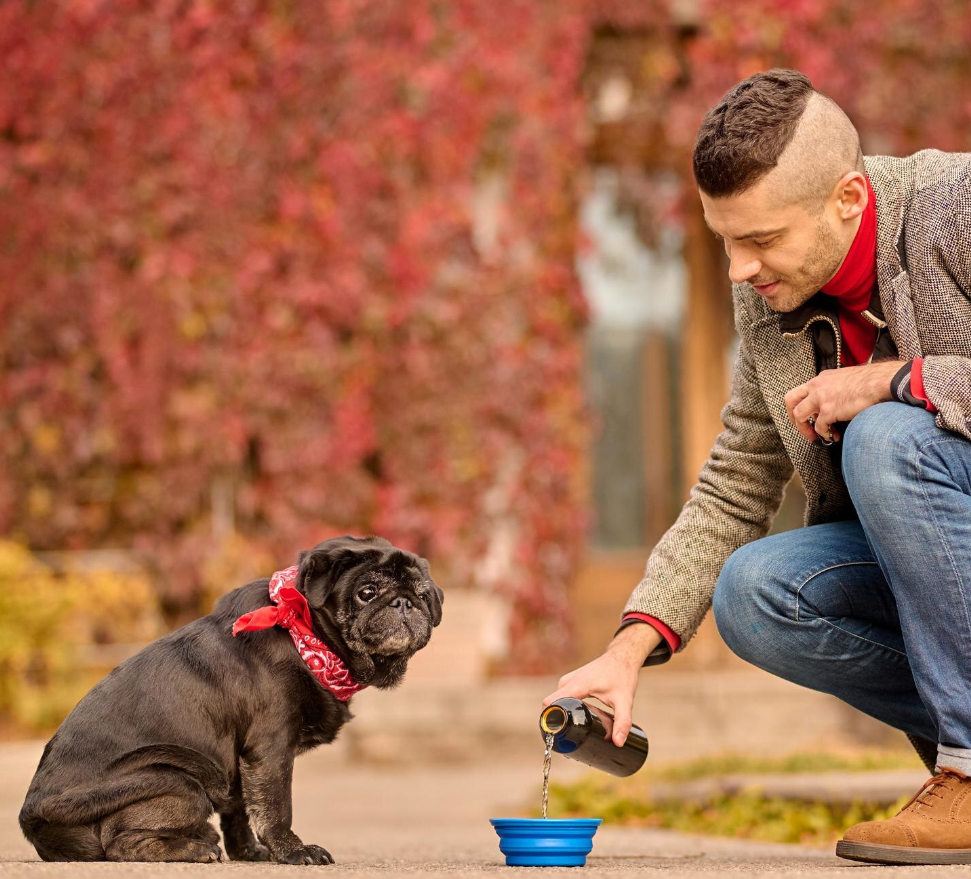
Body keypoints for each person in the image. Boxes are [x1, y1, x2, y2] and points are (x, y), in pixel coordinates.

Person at [544, 68, 971, 865]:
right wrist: (626, 647)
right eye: (724, 240)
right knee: (757, 592)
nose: (738, 268)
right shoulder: (770, 293)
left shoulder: (958, 206)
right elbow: (737, 475)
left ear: (847, 198)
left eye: (761, 239)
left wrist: (893, 380)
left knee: (885, 435)